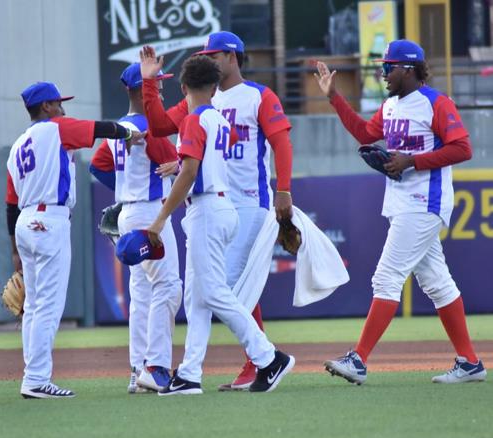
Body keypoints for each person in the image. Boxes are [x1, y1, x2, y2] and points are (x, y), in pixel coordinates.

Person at [316, 39, 486, 385]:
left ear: (408, 69)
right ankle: (470, 362)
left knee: (386, 277)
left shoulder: (435, 103)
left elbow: (463, 148)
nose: (383, 74)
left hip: (425, 201)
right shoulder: (391, 105)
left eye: (388, 67)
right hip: (402, 201)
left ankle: (359, 360)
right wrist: (335, 97)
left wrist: (413, 161)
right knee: (437, 282)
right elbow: (365, 132)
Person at [140, 31, 295, 390]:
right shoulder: (214, 115)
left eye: (216, 53)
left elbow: (197, 165)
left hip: (227, 203)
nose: (210, 58)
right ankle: (191, 375)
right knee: (201, 294)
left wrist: (283, 189)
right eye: (206, 55)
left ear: (234, 56)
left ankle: (267, 358)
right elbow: (165, 127)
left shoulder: (243, 100)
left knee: (216, 291)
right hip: (219, 203)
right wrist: (150, 84)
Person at [6, 81, 145, 399]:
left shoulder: (17, 145)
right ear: (45, 107)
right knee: (47, 307)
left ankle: (33, 376)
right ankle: (37, 379)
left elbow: (10, 202)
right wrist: (128, 133)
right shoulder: (54, 128)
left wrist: (14, 247)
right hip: (48, 219)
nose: (62, 108)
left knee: (32, 306)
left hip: (25, 222)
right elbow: (100, 128)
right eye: (57, 103)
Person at [89, 63, 182, 393]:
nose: (160, 89)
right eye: (157, 84)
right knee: (169, 287)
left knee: (142, 293)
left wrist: (122, 188)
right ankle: (155, 368)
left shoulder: (120, 127)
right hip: (148, 214)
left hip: (129, 213)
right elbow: (183, 165)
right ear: (142, 89)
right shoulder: (148, 125)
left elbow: (97, 165)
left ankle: (137, 370)